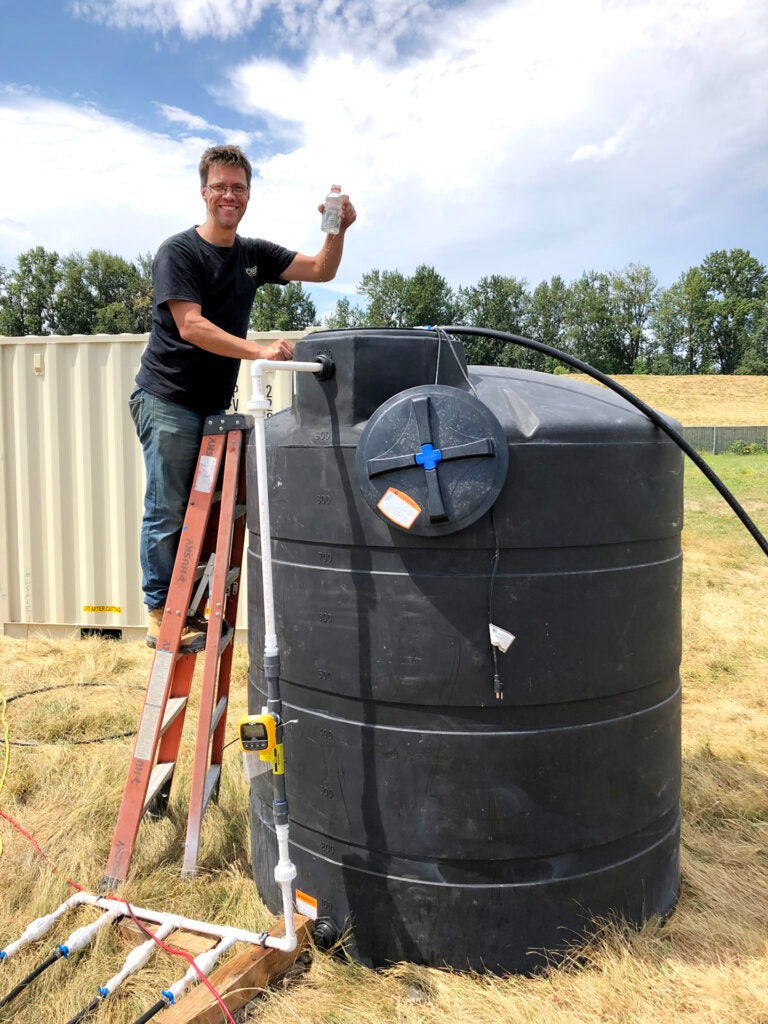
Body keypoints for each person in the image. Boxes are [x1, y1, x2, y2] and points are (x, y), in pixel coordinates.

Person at [130, 144, 356, 650]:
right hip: (167, 399)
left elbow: (321, 270)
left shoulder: (252, 255)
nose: (229, 195)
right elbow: (190, 326)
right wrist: (258, 351)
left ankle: (192, 605)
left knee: (204, 510)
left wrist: (337, 230)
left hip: (212, 404)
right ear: (204, 192)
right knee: (168, 507)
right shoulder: (179, 252)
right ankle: (158, 611)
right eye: (220, 187)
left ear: (248, 196)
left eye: (238, 187)